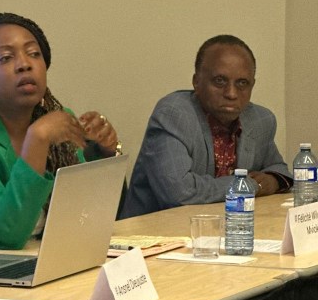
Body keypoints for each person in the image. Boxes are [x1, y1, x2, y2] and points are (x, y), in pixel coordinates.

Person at [0, 11, 122, 264]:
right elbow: (4, 235)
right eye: (6, 58)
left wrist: (105, 153)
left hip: (44, 262)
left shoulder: (58, 121)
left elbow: (85, 217)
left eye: (34, 54)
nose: (25, 64)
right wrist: (37, 140)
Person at [120, 35, 292, 218]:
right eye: (220, 81)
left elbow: (279, 170)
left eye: (242, 83)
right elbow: (180, 193)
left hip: (225, 228)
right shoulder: (173, 115)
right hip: (156, 232)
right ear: (196, 82)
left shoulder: (259, 120)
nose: (231, 93)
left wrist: (272, 181)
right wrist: (249, 185)